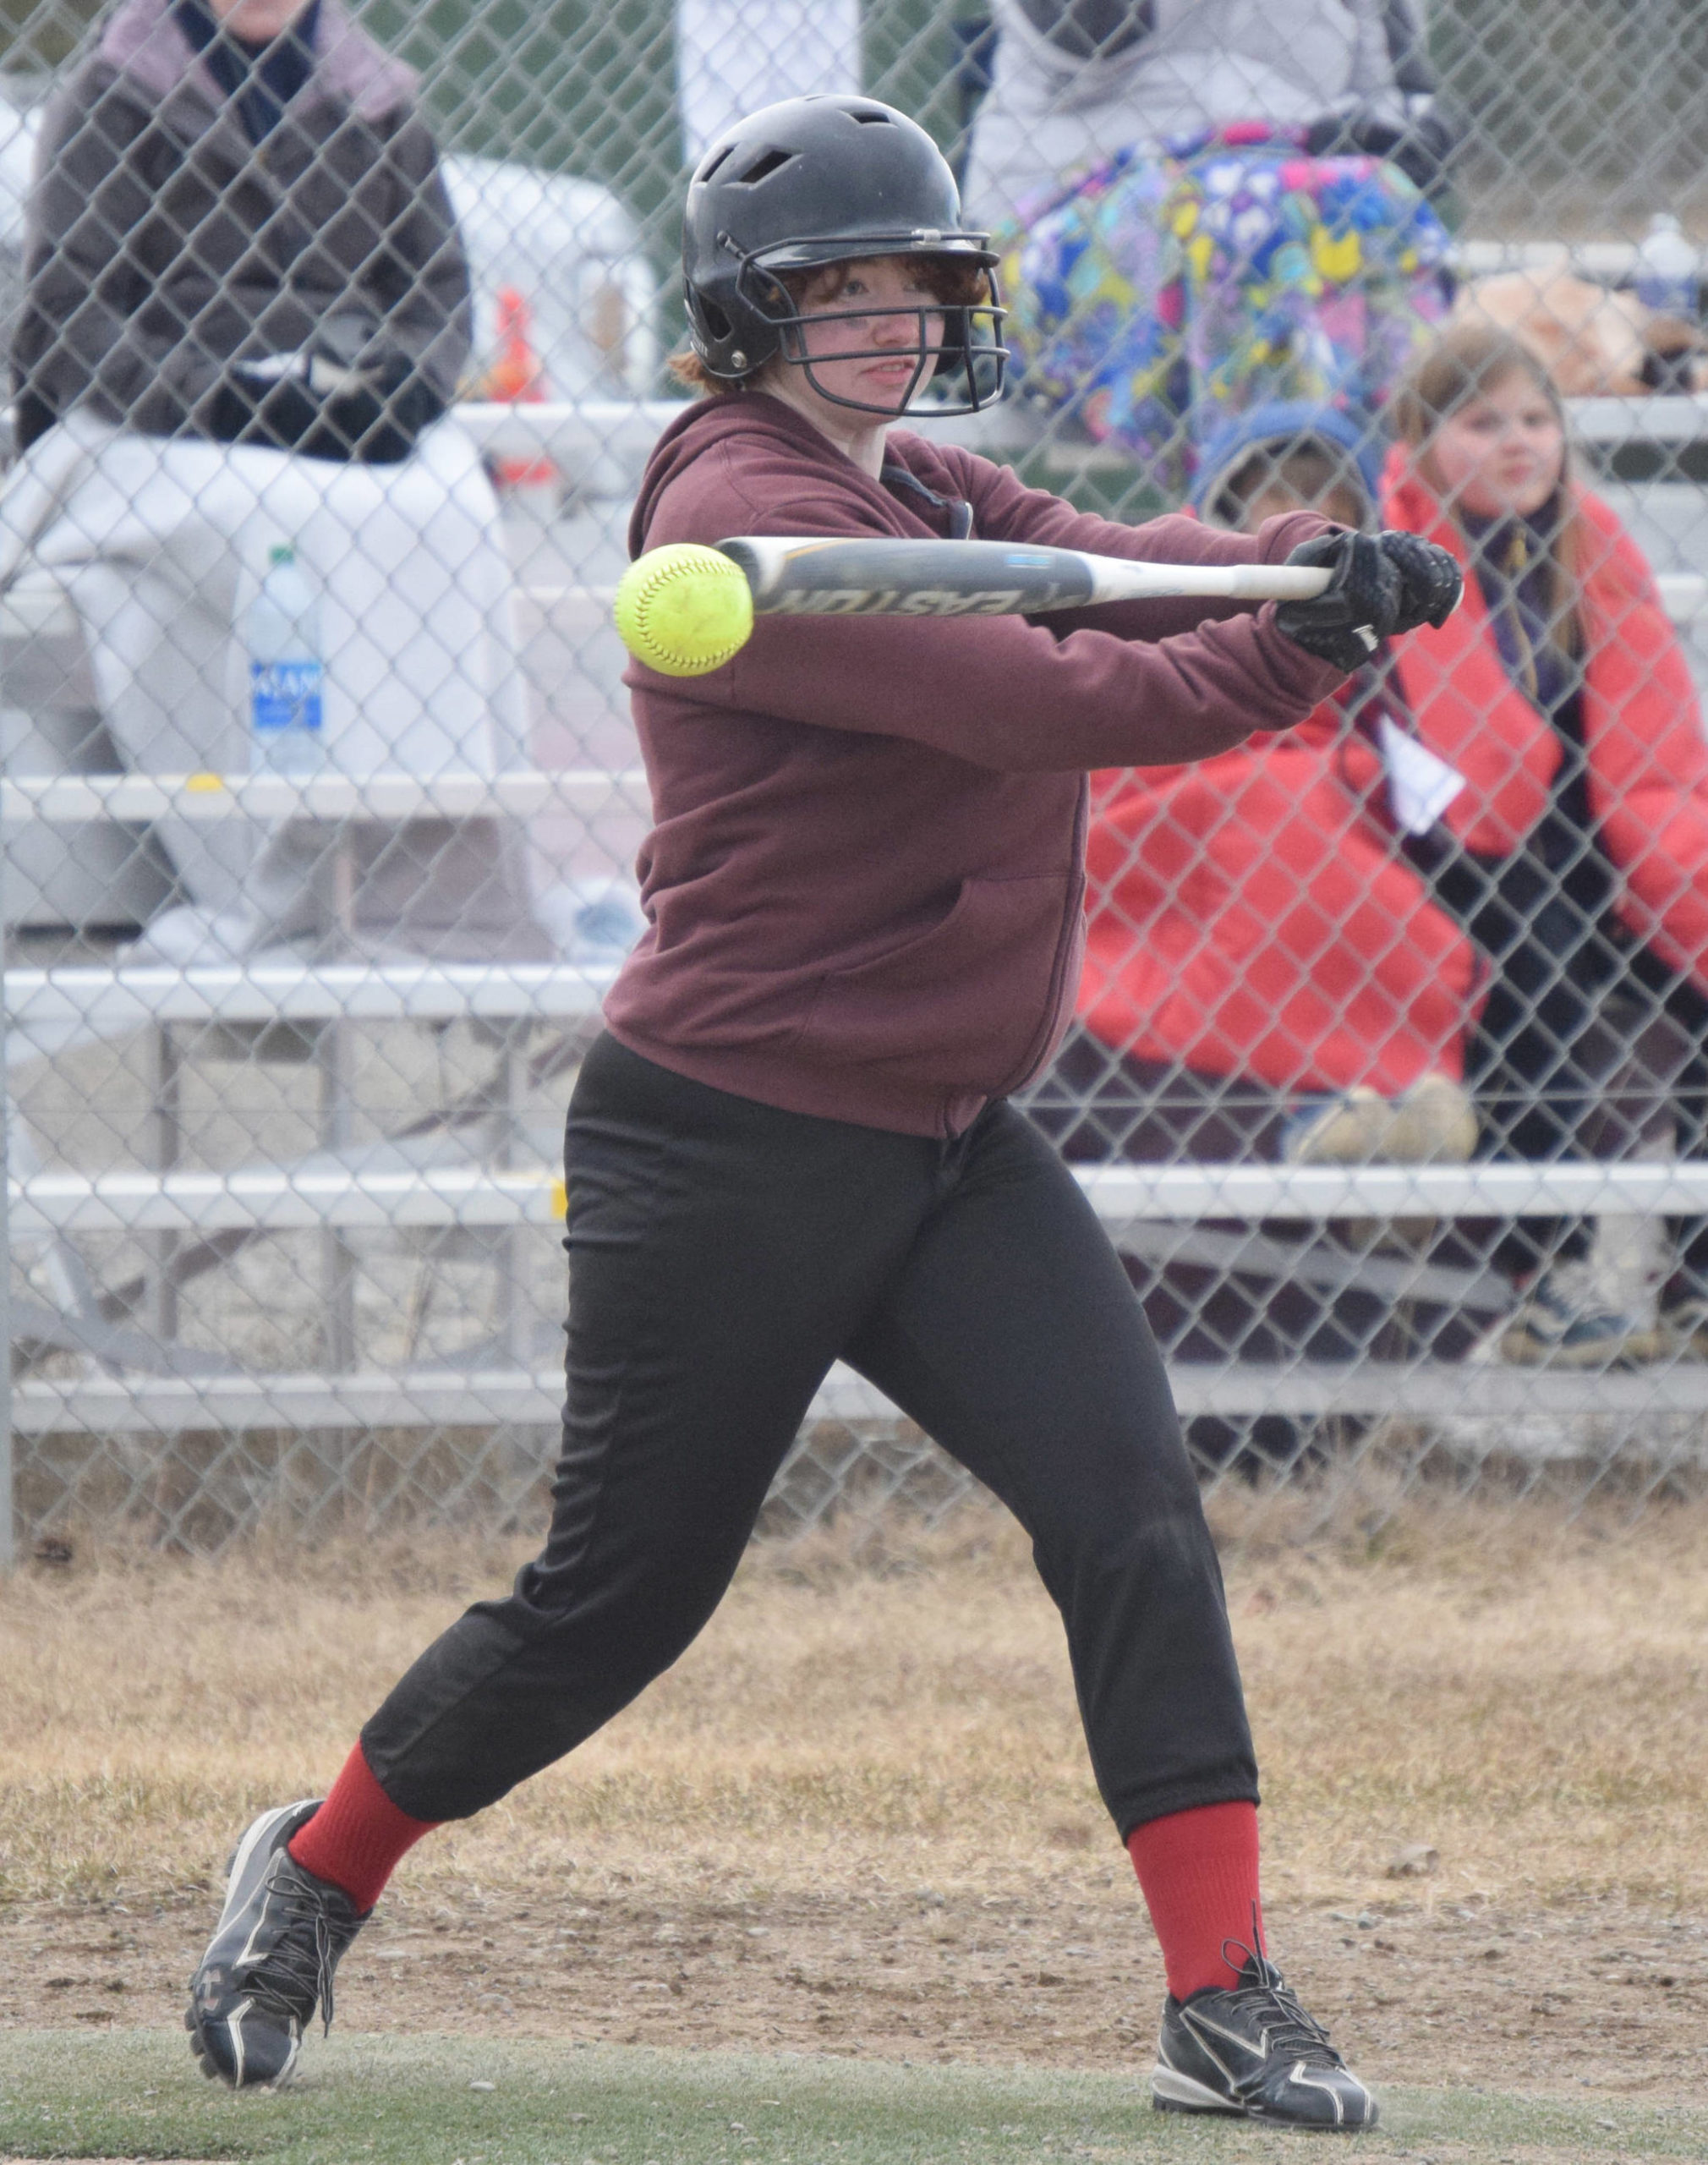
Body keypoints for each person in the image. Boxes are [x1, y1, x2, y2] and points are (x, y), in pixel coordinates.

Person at [184, 92, 1458, 2124]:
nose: (886, 323)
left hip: (947, 1131)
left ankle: (1216, 1992)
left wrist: (1296, 564)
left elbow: (1101, 564)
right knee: (618, 1599)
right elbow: (1059, 693)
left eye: (912, 288)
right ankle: (316, 1871)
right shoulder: (737, 526)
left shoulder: (910, 478)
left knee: (1130, 1509)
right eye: (835, 292)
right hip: (730, 1135)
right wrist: (1299, 654)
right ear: (746, 315)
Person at [8, 0, 545, 966]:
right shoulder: (116, 90)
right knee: (294, 520)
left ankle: (453, 900)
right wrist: (225, 402)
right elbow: (63, 317)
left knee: (453, 505)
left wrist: (400, 392)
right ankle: (296, 893)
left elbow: (435, 292)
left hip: (336, 398)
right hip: (154, 419)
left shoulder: (374, 96)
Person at [1378, 325, 1708, 1365]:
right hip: (1454, 857)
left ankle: (1696, 1282)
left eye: (1535, 420)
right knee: (1539, 971)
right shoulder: (1397, 557)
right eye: (1482, 423)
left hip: (1595, 856)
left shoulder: (1585, 542)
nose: (1518, 443)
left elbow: (1652, 752)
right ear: (1421, 440)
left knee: (1695, 979)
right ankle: (1544, 1273)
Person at [961, 0, 1458, 232]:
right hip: (1061, 209)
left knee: (1375, 216)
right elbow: (1085, 34)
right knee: (1244, 223)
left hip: (1284, 203)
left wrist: (1383, 137)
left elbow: (1396, 96)